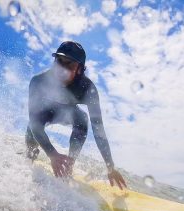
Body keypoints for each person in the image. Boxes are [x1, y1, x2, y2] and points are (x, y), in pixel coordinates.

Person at [25, 41, 127, 190]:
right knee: (31, 129)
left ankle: (68, 165)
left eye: (69, 65)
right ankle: (29, 160)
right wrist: (52, 154)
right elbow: (35, 123)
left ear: (79, 69)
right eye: (59, 62)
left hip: (69, 113)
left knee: (82, 120)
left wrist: (110, 167)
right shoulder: (38, 81)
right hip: (45, 113)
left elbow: (99, 131)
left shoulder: (87, 90)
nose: (62, 69)